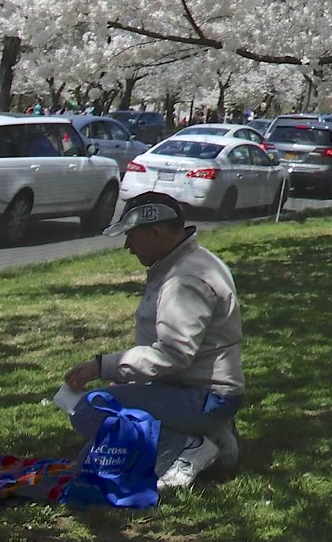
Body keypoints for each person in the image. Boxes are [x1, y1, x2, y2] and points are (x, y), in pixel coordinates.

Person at [64, 195, 244, 492]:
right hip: (196, 391)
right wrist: (132, 382)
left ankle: (191, 444)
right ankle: (216, 439)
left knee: (88, 411)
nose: (127, 246)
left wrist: (104, 367)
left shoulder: (183, 280)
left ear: (155, 233)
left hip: (204, 396)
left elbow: (174, 354)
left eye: (131, 236)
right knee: (89, 458)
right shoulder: (194, 263)